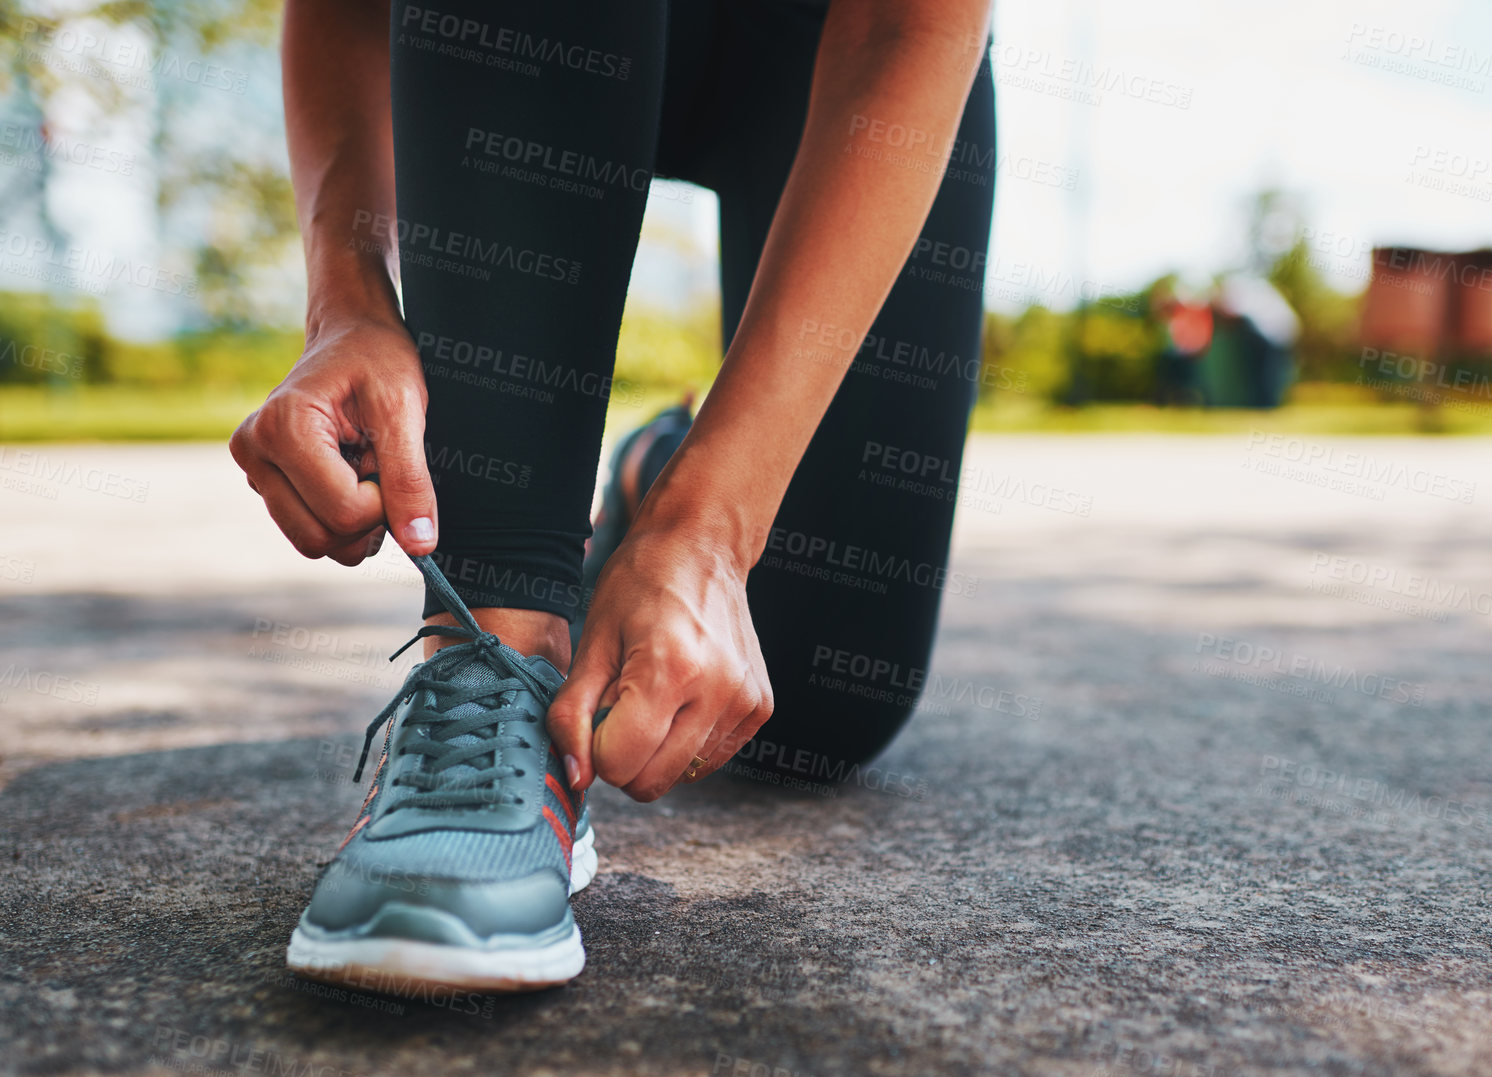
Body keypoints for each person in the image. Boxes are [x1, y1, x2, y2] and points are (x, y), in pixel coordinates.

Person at [232, 0, 995, 993]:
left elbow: (910, 26)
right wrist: (346, 300)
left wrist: (708, 529)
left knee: (819, 708)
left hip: (842, 48)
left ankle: (656, 475)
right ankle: (495, 651)